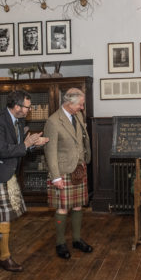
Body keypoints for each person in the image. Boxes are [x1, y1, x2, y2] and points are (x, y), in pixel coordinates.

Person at [0, 90, 49, 272]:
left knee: (6, 211)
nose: (29, 110)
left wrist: (33, 145)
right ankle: (4, 258)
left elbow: (18, 147)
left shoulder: (19, 119)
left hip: (7, 170)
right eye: (27, 107)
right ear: (17, 107)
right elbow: (1, 150)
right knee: (5, 214)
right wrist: (26, 144)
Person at [43, 88, 92, 260]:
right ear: (69, 103)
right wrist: (55, 176)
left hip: (78, 168)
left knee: (78, 205)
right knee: (62, 208)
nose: (82, 107)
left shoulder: (78, 116)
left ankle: (77, 239)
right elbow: (50, 151)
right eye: (80, 104)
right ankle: (60, 243)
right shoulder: (53, 121)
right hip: (63, 171)